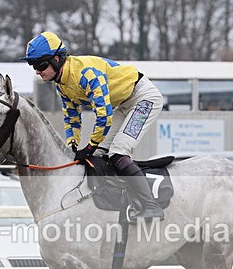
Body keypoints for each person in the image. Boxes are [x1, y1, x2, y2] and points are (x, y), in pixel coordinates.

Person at [20, 31, 164, 220]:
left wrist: (89, 146)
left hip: (144, 98)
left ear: (56, 59)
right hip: (123, 103)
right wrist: (73, 145)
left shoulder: (86, 74)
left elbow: (103, 116)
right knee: (98, 155)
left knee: (118, 152)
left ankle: (151, 206)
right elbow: (72, 117)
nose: (37, 71)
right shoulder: (61, 84)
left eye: (40, 65)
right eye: (33, 66)